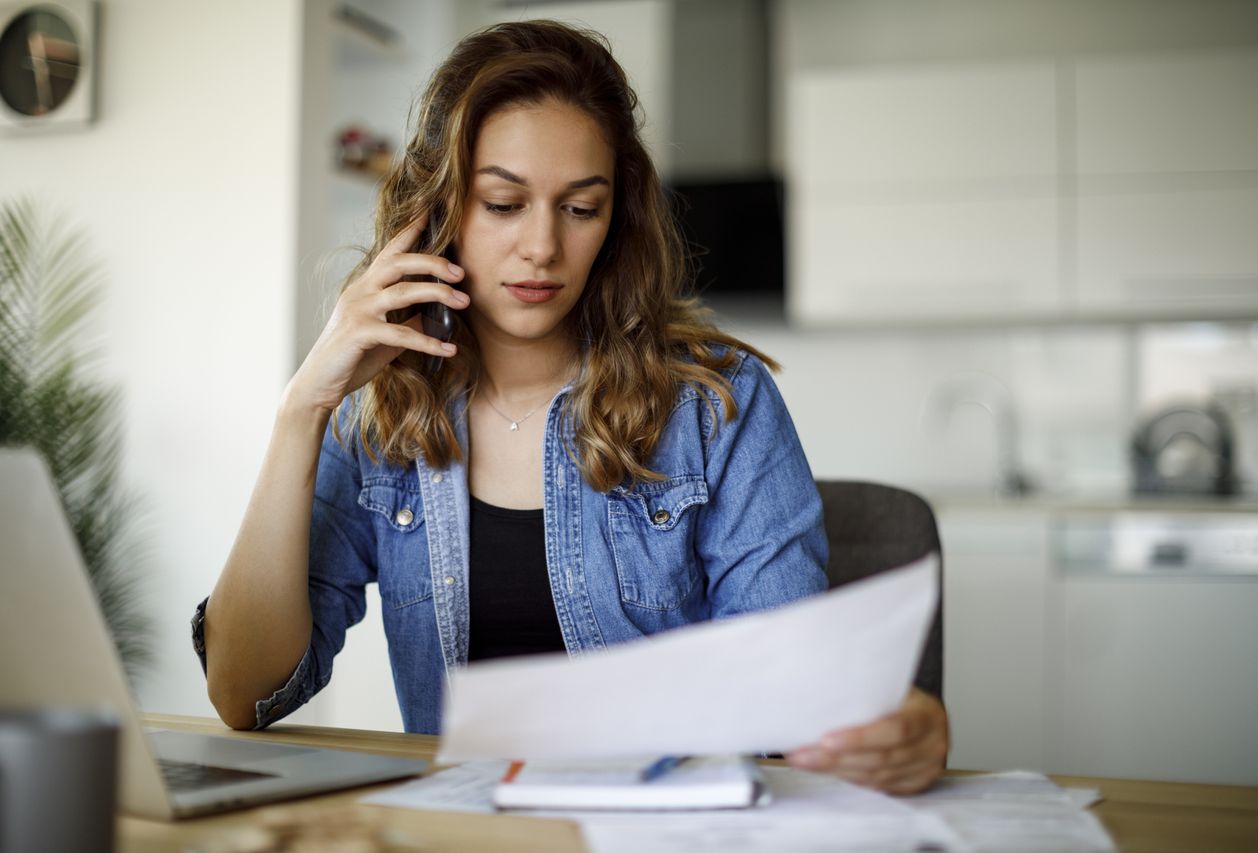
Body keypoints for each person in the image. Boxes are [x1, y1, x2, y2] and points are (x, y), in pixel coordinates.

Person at [194, 19, 948, 795]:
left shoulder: (715, 405)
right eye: (503, 203)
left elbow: (794, 699)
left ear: (615, 219)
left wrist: (903, 721)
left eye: (580, 208)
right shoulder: (378, 416)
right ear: (438, 212)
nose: (543, 247)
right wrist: (303, 406)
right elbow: (244, 694)